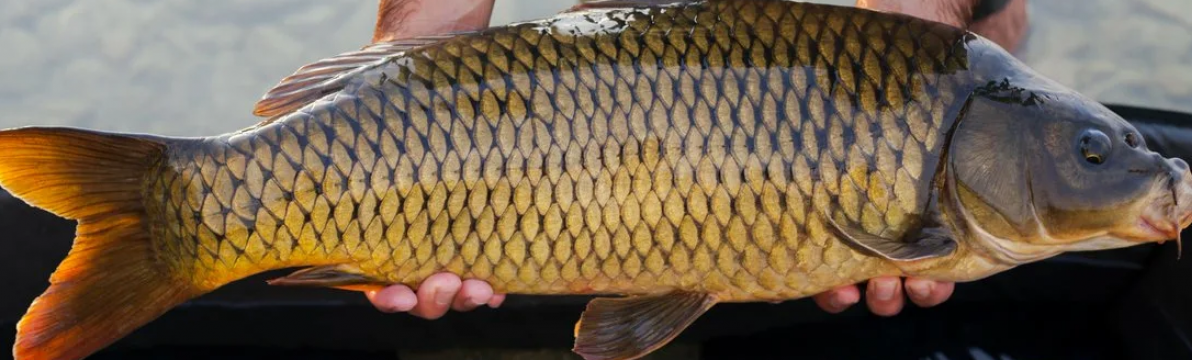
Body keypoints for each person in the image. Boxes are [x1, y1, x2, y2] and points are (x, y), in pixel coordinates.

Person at [359, 0, 1028, 320]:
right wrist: (417, 45)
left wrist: (917, 23)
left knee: (967, 68)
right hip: (617, 73)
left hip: (875, 51)